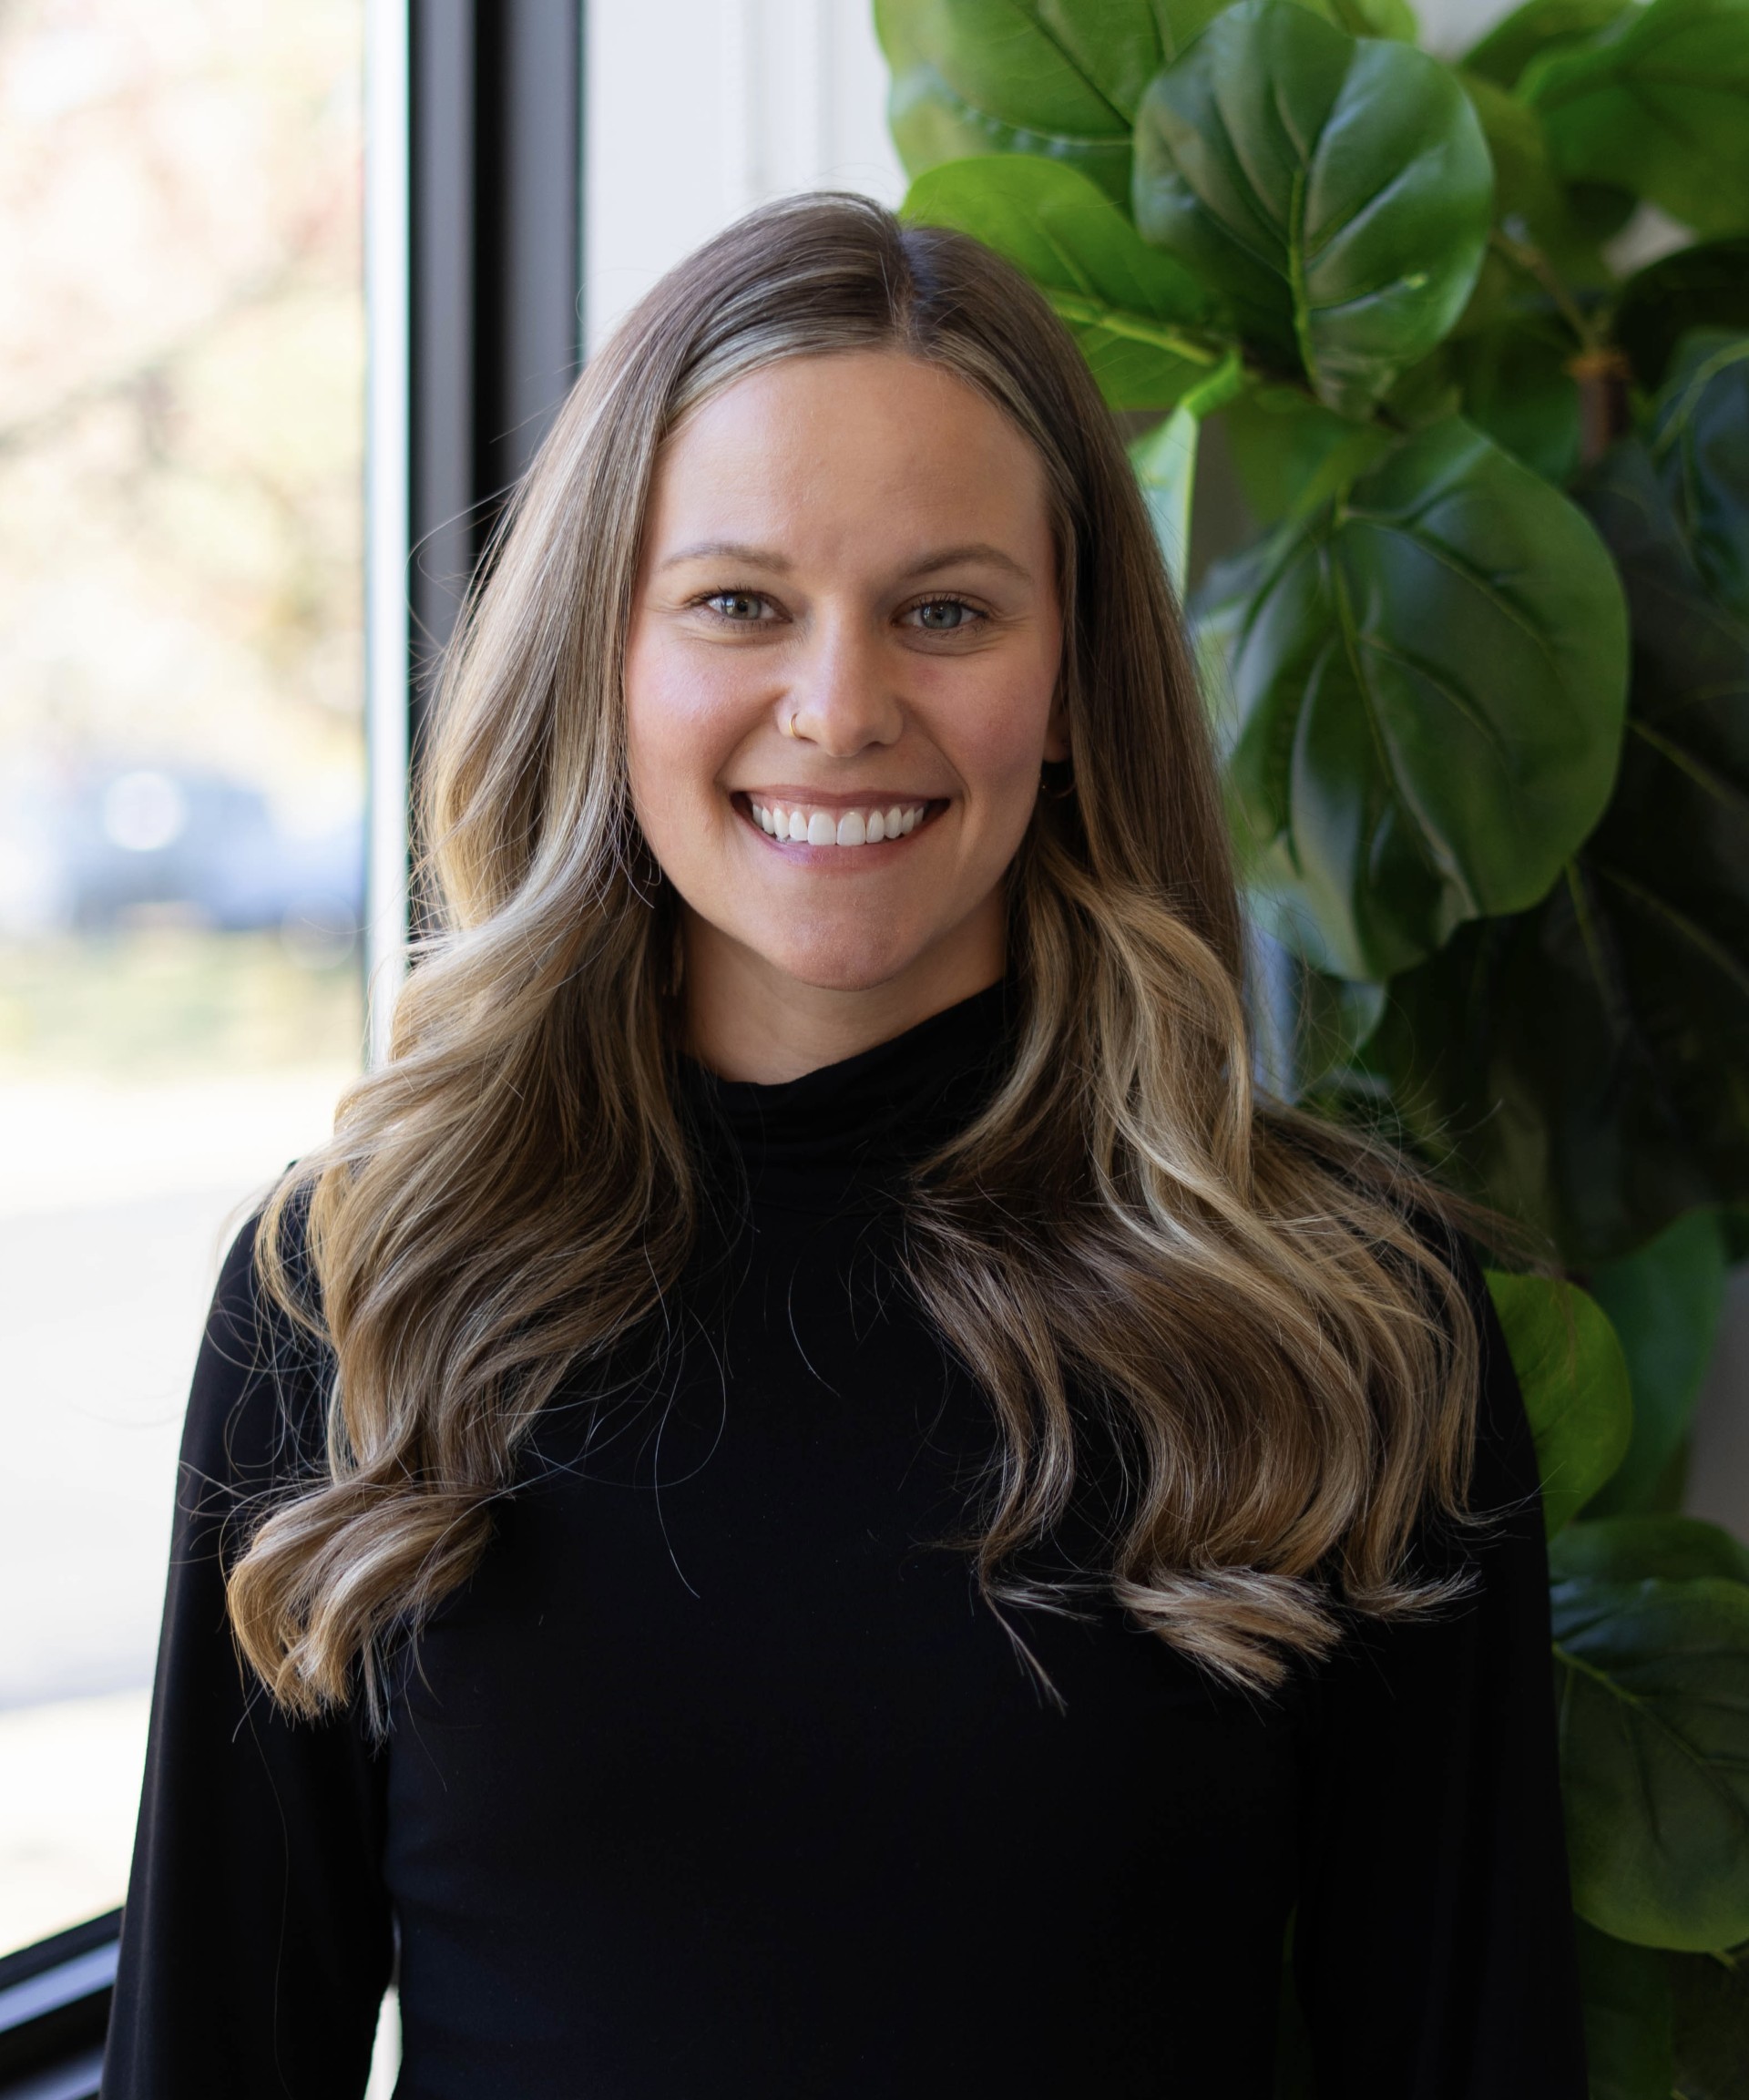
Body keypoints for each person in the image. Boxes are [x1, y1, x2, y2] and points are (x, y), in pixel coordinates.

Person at [103, 194, 1586, 2098]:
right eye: (738, 602)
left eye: (945, 610)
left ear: (1068, 688)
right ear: (605, 658)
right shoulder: (361, 1298)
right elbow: (209, 2048)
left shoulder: (1341, 1313)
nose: (839, 706)